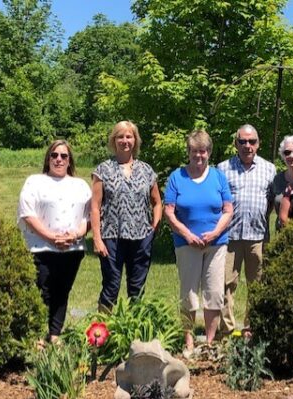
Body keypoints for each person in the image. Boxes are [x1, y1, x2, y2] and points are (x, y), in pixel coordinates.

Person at [164, 130, 233, 356]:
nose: (198, 156)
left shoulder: (218, 177)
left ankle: (210, 343)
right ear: (189, 152)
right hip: (187, 244)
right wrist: (187, 234)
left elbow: (228, 210)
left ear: (209, 152)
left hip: (216, 243)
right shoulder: (177, 177)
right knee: (189, 292)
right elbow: (169, 212)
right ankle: (189, 340)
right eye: (194, 151)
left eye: (202, 151)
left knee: (214, 292)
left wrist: (214, 233)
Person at [18, 140, 91, 342]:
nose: (58, 159)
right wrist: (51, 237)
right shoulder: (35, 181)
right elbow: (27, 213)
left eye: (63, 156)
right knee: (43, 291)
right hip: (41, 247)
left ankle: (55, 335)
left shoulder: (80, 185)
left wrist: (75, 235)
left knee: (62, 292)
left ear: (70, 161)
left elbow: (91, 216)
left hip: (72, 248)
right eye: (54, 155)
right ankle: (38, 335)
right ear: (48, 158)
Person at [91, 121, 162, 311]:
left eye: (129, 136)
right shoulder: (103, 170)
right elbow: (95, 207)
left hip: (141, 237)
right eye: (120, 137)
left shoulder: (146, 170)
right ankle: (101, 333)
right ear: (114, 141)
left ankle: (135, 331)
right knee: (111, 286)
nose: (125, 141)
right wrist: (97, 238)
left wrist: (153, 228)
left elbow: (157, 202)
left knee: (137, 289)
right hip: (111, 237)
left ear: (135, 140)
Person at [217, 124, 276, 335]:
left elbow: (271, 202)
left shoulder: (269, 169)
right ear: (236, 144)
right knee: (226, 284)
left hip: (258, 236)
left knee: (257, 284)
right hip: (230, 236)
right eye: (242, 141)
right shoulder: (223, 168)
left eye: (251, 141)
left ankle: (251, 327)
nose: (247, 146)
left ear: (258, 144)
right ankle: (226, 329)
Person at [272, 135, 293, 230]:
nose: (291, 155)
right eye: (287, 152)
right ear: (283, 156)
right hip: (282, 234)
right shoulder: (277, 179)